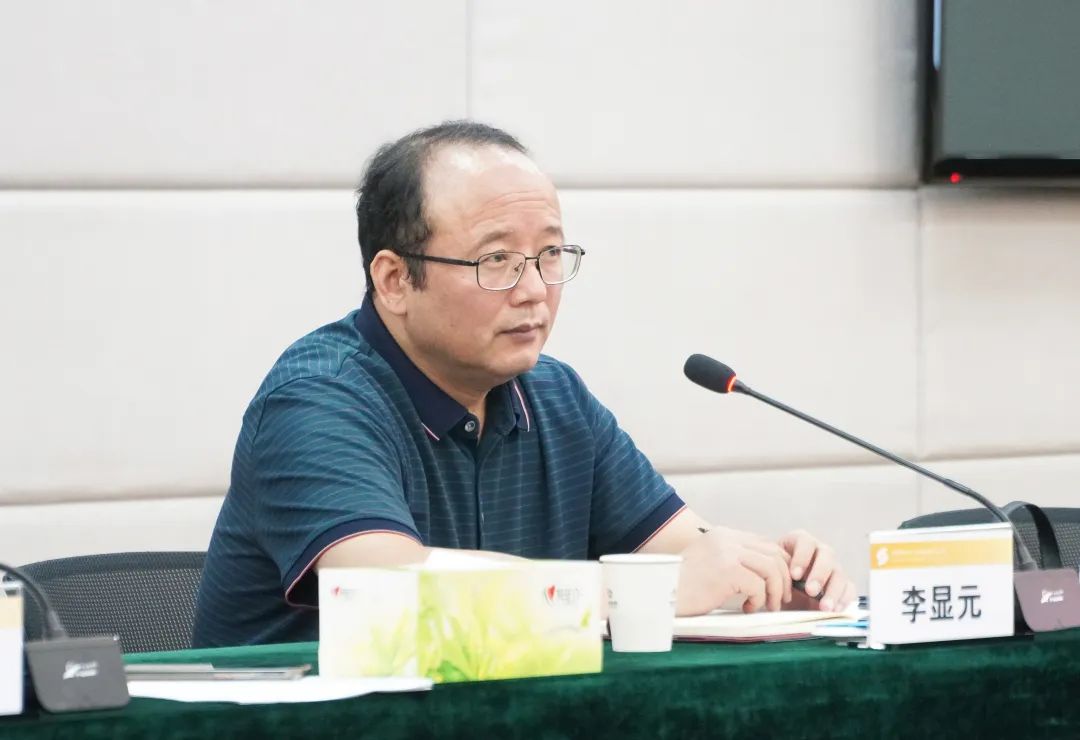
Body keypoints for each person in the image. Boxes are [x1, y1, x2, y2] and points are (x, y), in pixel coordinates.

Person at [192, 121, 855, 647]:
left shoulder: (555, 398)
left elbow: (686, 554)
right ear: (394, 280)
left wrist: (766, 577)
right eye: (497, 260)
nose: (535, 290)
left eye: (549, 255)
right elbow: (390, 590)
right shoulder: (316, 400)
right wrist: (648, 592)